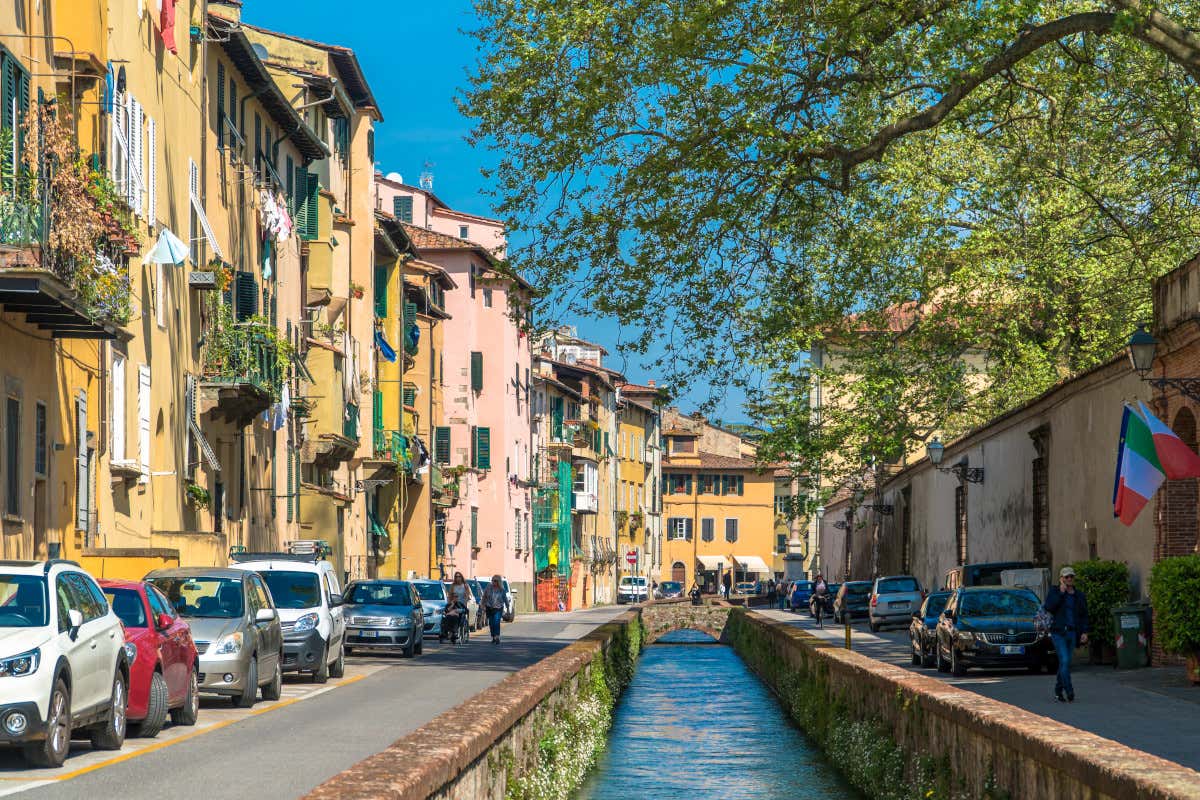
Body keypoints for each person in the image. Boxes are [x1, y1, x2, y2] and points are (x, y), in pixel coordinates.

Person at [1043, 566, 1089, 703]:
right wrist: (1061, 593)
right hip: (1058, 632)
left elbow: (1084, 615)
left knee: (1065, 663)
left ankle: (1058, 691)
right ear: (1061, 579)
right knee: (1064, 661)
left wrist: (1085, 631)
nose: (1069, 579)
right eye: (1066, 577)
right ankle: (1069, 691)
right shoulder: (1055, 591)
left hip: (1072, 632)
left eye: (1071, 577)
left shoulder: (1079, 595)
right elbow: (1048, 607)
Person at [446, 572, 471, 644]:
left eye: (459, 576)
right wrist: (449, 604)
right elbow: (450, 596)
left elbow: (467, 596)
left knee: (459, 616)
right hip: (454, 604)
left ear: (461, 577)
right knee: (449, 616)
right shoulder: (453, 586)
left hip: (461, 605)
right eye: (456, 576)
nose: (457, 578)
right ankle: (451, 631)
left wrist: (465, 604)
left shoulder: (465, 586)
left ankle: (455, 631)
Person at [482, 574, 507, 644]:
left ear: (499, 581)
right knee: (491, 623)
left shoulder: (502, 589)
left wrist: (507, 608)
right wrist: (482, 605)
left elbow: (505, 599)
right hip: (489, 607)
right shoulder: (488, 587)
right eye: (493, 580)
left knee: (496, 621)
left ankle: (497, 636)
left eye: (495, 581)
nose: (494, 582)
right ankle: (493, 636)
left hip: (498, 608)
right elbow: (484, 596)